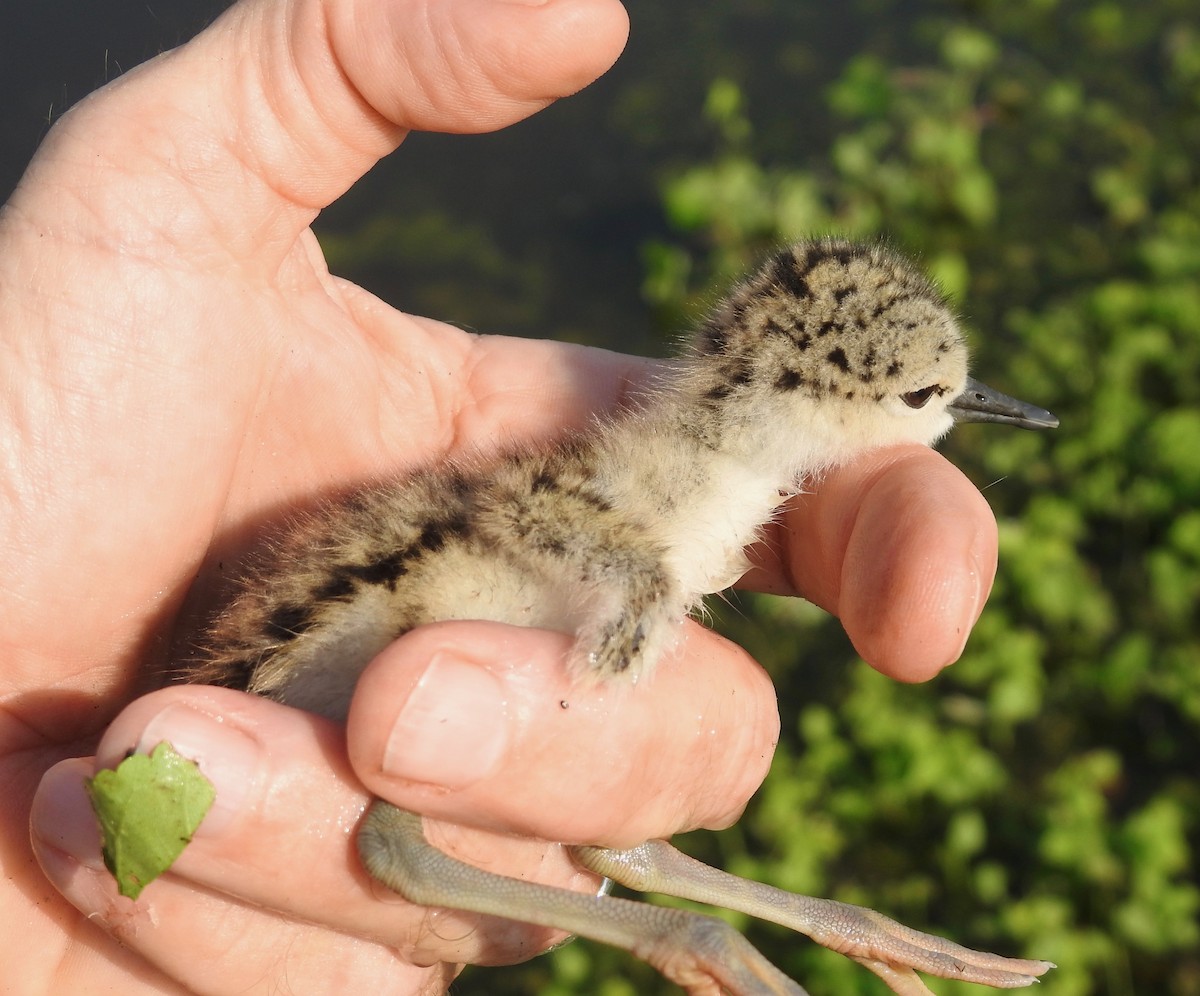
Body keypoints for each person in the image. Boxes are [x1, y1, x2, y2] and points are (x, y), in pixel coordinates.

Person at [1, 0, 1000, 991]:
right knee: (402, 833)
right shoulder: (638, 520)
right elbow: (526, 523)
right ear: (813, 403)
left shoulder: (659, 493)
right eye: (925, 398)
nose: (955, 411)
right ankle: (683, 936)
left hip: (235, 705)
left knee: (599, 830)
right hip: (307, 658)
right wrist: (636, 586)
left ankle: (803, 920)